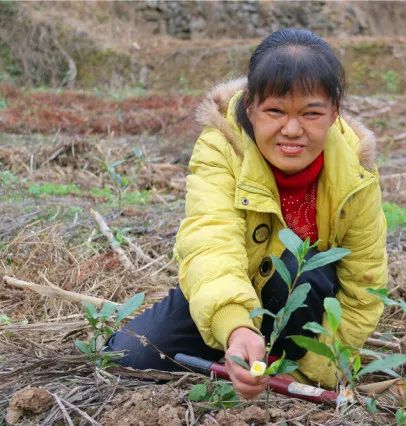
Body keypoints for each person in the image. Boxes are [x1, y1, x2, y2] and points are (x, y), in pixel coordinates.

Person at [106, 28, 387, 400]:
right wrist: (235, 327)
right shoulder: (222, 148)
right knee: (128, 356)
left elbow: (364, 283)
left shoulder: (355, 171)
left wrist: (317, 370)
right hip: (230, 285)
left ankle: (280, 362)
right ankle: (241, 352)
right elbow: (211, 243)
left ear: (334, 113)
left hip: (306, 310)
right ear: (251, 107)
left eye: (311, 113)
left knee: (307, 269)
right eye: (275, 111)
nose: (291, 129)